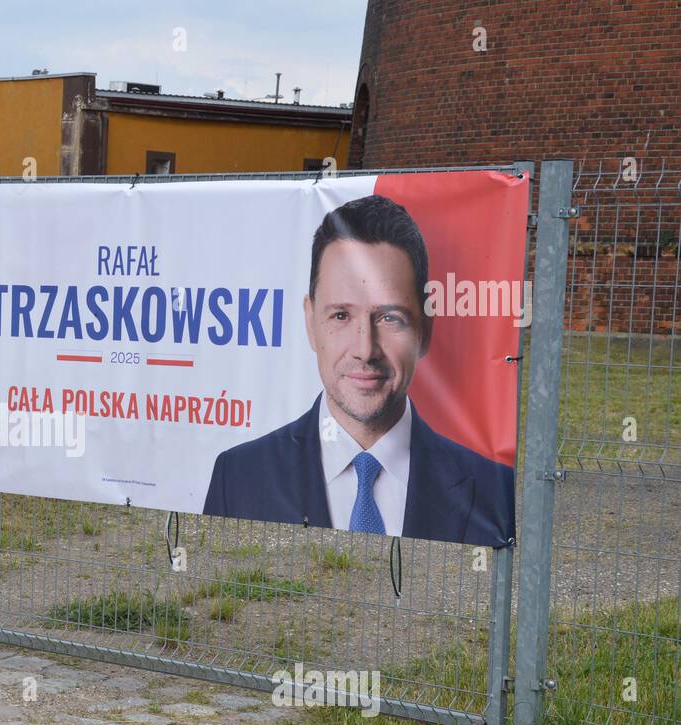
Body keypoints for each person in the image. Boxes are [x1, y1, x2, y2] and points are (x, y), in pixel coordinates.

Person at [202, 194, 514, 547]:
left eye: (390, 317)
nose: (366, 350)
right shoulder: (238, 476)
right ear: (310, 322)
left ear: (425, 331)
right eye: (341, 316)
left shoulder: (494, 488)